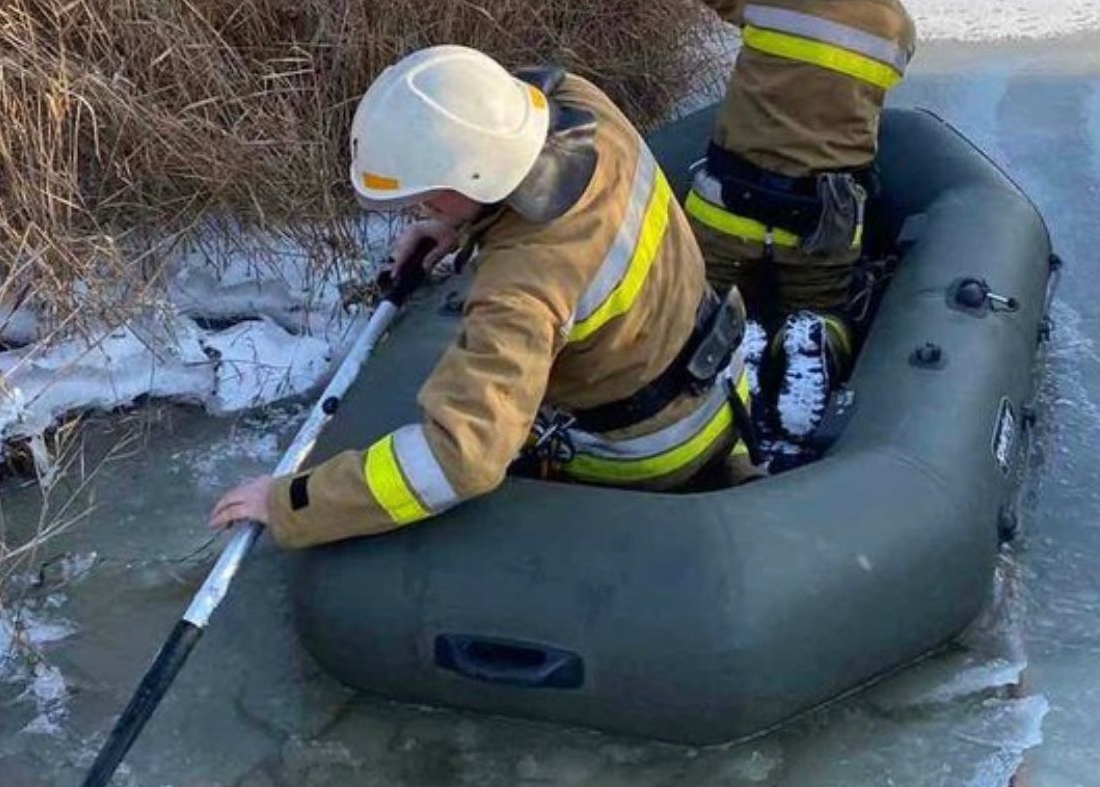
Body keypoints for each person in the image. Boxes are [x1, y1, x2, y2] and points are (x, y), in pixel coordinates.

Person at [210, 45, 750, 547]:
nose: (419, 212)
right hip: (716, 373)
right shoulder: (585, 106)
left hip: (648, 449)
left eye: (426, 202)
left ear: (461, 185)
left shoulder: (521, 287)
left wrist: (291, 502)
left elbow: (457, 460)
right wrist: (456, 226)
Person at [685, 0, 920, 433]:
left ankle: (737, 331)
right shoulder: (896, 29)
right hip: (823, 222)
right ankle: (811, 336)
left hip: (727, 209)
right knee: (826, 308)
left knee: (691, 302)